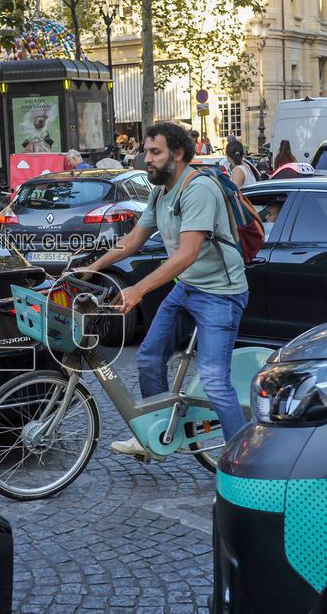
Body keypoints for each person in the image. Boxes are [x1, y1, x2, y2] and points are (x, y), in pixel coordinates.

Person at [78, 122, 249, 456]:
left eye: (155, 152)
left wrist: (137, 290)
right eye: (146, 151)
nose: (147, 159)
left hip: (221, 294)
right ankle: (155, 431)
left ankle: (242, 461)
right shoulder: (160, 191)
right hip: (188, 288)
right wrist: (92, 268)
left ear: (179, 153)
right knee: (149, 358)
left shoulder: (198, 189)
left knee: (214, 381)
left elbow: (187, 254)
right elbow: (131, 241)